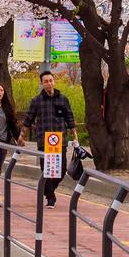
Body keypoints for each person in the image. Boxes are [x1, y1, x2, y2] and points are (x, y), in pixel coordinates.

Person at [24, 70, 77, 207]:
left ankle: (48, 189)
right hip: (43, 140)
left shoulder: (63, 99)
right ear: (41, 83)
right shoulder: (36, 101)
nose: (49, 83)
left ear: (54, 81)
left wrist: (75, 136)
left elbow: (70, 118)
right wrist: (21, 136)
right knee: (47, 170)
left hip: (60, 140)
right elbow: (28, 119)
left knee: (61, 170)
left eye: (51, 80)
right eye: (46, 81)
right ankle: (50, 197)